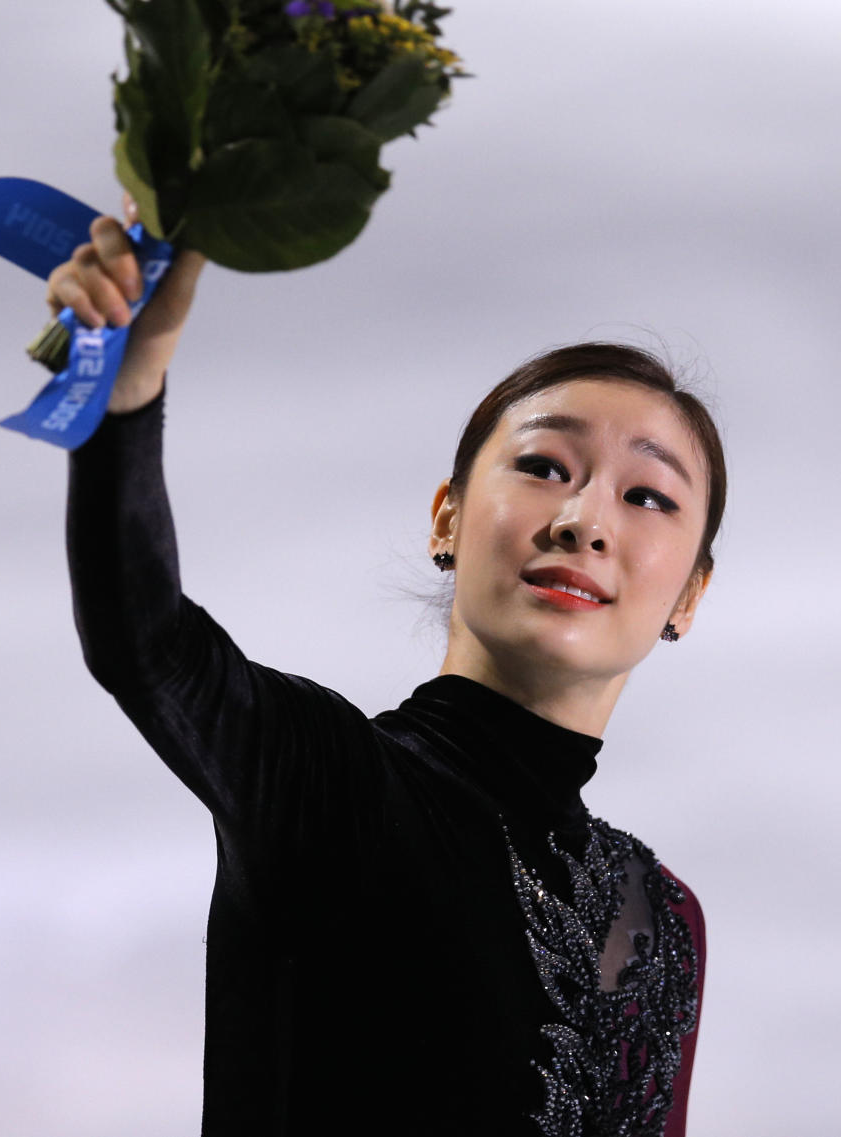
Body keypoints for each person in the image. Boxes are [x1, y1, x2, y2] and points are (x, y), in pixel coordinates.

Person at [52, 209, 725, 1137]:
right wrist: (126, 398)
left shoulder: (663, 919)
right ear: (446, 519)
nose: (584, 519)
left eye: (646, 494)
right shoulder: (329, 780)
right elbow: (146, 643)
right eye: (543, 465)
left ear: (689, 592)